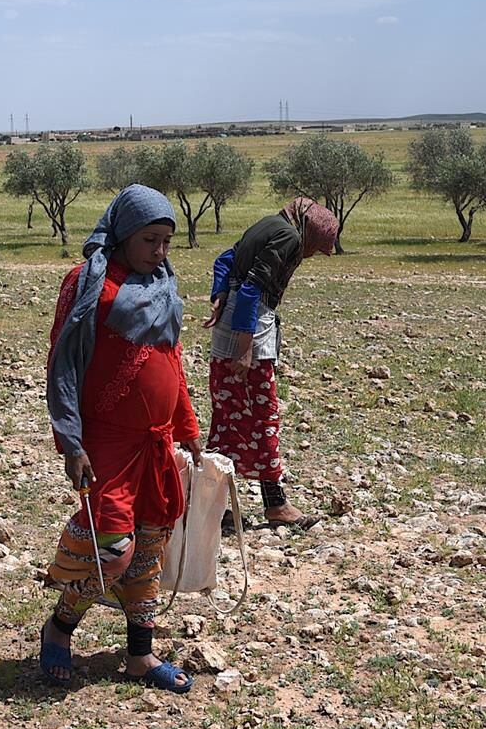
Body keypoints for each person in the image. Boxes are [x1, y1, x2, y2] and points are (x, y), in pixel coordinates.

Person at [38, 185, 201, 693]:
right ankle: (60, 626)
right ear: (125, 235)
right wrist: (71, 442)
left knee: (151, 543)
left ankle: (140, 655)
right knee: (112, 547)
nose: (159, 251)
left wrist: (189, 428)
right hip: (105, 441)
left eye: (167, 242)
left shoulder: (164, 286)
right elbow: (63, 362)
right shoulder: (88, 284)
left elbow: (171, 360)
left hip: (155, 442)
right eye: (150, 239)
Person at [203, 196, 339, 531]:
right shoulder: (289, 237)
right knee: (263, 419)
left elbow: (225, 260)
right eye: (315, 248)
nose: (309, 255)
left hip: (228, 332)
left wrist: (219, 294)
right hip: (249, 333)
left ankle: (220, 508)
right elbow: (252, 289)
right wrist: (246, 348)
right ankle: (273, 505)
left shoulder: (269, 223)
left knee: (228, 418)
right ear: (310, 234)